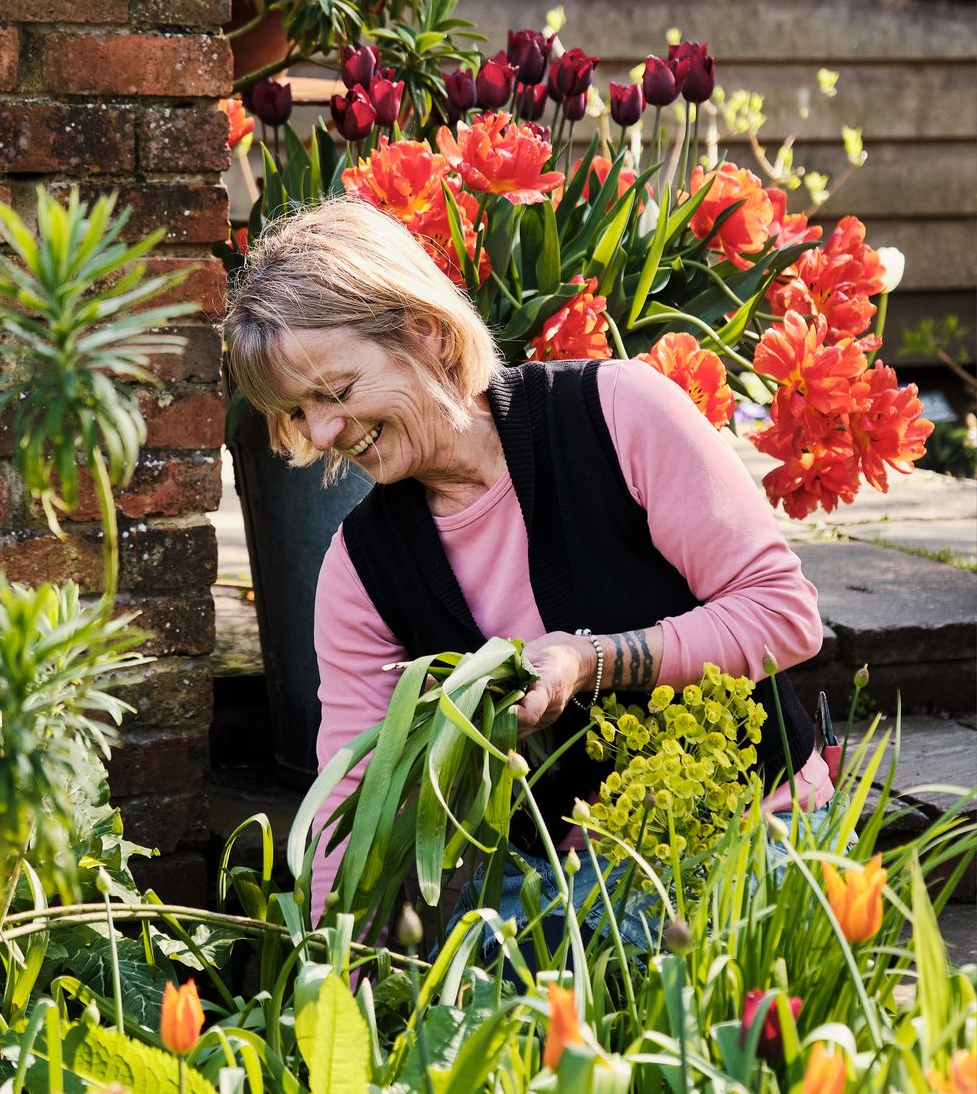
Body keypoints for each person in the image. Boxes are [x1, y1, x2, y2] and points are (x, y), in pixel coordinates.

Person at [226, 196, 833, 944]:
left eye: (338, 392)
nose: (322, 433)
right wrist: (335, 974)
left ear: (424, 331)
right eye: (298, 412)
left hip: (750, 830)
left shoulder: (616, 414)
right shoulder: (362, 570)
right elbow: (352, 796)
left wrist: (588, 660)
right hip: (549, 876)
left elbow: (783, 614)